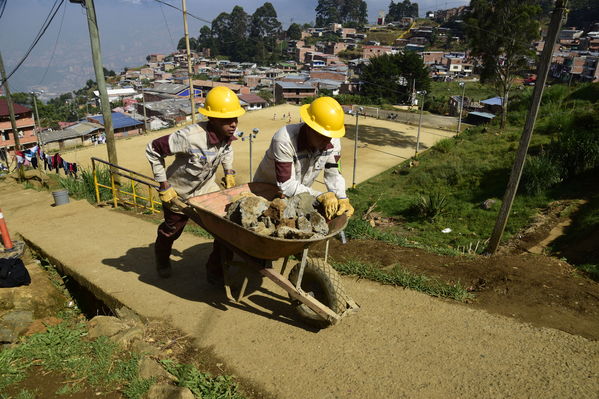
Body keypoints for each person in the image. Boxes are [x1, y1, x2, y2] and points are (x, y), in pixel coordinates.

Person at [146, 86, 245, 279]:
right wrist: (163, 184)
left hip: (206, 188)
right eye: (227, 120)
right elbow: (152, 149)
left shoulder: (226, 136)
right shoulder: (189, 137)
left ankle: (215, 270)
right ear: (213, 119)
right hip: (178, 191)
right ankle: (162, 258)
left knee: (226, 227)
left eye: (235, 119)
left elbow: (227, 151)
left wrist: (229, 171)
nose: (233, 124)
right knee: (172, 231)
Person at [253, 96, 354, 220]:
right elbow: (286, 184)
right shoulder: (284, 139)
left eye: (330, 135)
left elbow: (333, 173)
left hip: (298, 194)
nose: (328, 140)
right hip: (265, 192)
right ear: (309, 127)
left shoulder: (333, 140)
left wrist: (342, 197)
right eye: (322, 135)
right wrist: (321, 195)